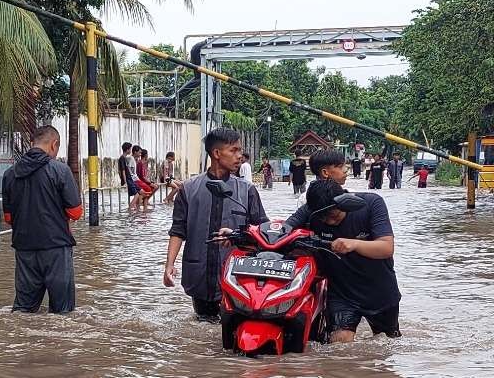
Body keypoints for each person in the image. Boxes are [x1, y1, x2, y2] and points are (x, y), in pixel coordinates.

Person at [164, 128, 267, 322]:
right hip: (199, 275)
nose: (239, 156)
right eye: (234, 150)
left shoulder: (247, 190)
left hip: (237, 278)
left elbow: (263, 232)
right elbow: (178, 230)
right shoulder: (189, 189)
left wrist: (239, 236)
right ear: (217, 154)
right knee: (202, 330)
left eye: (240, 151)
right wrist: (169, 265)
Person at [285, 179, 401, 340]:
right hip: (341, 293)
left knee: (387, 341)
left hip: (379, 292)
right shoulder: (312, 210)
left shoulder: (371, 203)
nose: (329, 222)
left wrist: (354, 244)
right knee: (340, 343)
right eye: (323, 219)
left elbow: (386, 248)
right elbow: (284, 231)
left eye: (334, 215)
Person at [2, 125, 83, 314]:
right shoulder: (60, 171)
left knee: (23, 310)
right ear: (54, 145)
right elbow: (76, 212)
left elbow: (8, 218)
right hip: (56, 249)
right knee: (63, 313)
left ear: (32, 144)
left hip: (24, 250)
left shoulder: (10, 174)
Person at [120, 143, 138, 212]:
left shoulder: (125, 158)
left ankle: (133, 208)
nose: (131, 150)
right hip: (128, 179)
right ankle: (129, 209)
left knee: (137, 194)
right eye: (130, 149)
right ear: (127, 149)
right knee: (136, 195)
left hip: (129, 179)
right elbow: (123, 171)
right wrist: (125, 182)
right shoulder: (122, 158)